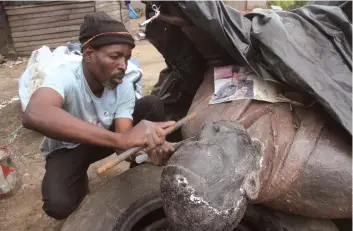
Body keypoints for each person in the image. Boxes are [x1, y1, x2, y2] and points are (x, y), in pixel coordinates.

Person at [22, 12, 175, 220]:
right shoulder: (64, 76)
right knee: (59, 205)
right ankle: (78, 176)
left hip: (102, 142)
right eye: (115, 56)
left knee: (151, 104)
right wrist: (121, 139)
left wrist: (144, 151)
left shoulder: (123, 85)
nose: (123, 64)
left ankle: (137, 172)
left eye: (127, 58)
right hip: (67, 149)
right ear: (88, 54)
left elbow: (124, 143)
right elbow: (34, 113)